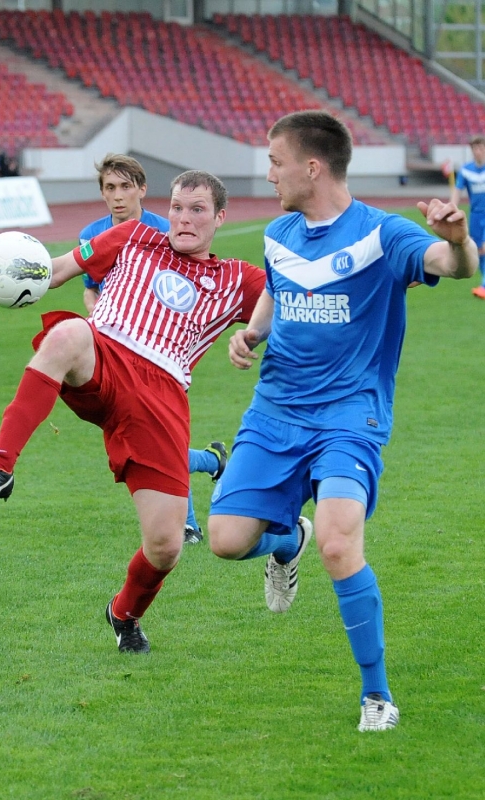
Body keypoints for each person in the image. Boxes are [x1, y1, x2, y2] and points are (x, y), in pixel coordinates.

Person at [207, 110, 477, 732]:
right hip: (276, 410)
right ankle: (287, 540)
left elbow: (452, 264)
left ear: (312, 167)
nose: (268, 175)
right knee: (226, 541)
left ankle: (377, 697)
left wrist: (461, 240)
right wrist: (253, 333)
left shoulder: (383, 234)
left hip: (350, 416)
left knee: (338, 542)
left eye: (275, 162)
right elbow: (278, 287)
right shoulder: (279, 232)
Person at [0, 169, 266, 656]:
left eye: (197, 210)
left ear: (220, 217)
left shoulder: (238, 279)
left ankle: (124, 614)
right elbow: (58, 267)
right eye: (178, 208)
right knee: (67, 333)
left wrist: (251, 335)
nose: (184, 219)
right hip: (104, 353)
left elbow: (291, 301)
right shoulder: (132, 235)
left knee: (166, 546)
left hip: (162, 397)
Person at [80, 153, 228, 544]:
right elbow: (90, 287)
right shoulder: (91, 233)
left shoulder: (166, 230)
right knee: (137, 443)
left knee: (163, 440)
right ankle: (212, 460)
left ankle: (187, 523)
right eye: (110, 188)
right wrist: (99, 316)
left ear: (142, 190)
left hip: (162, 352)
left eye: (125, 187)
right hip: (114, 352)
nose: (118, 196)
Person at [451, 134, 485, 298]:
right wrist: (451, 210)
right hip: (475, 216)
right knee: (479, 251)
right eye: (474, 148)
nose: (477, 151)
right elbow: (457, 191)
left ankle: (483, 286)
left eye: (481, 148)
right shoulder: (466, 170)